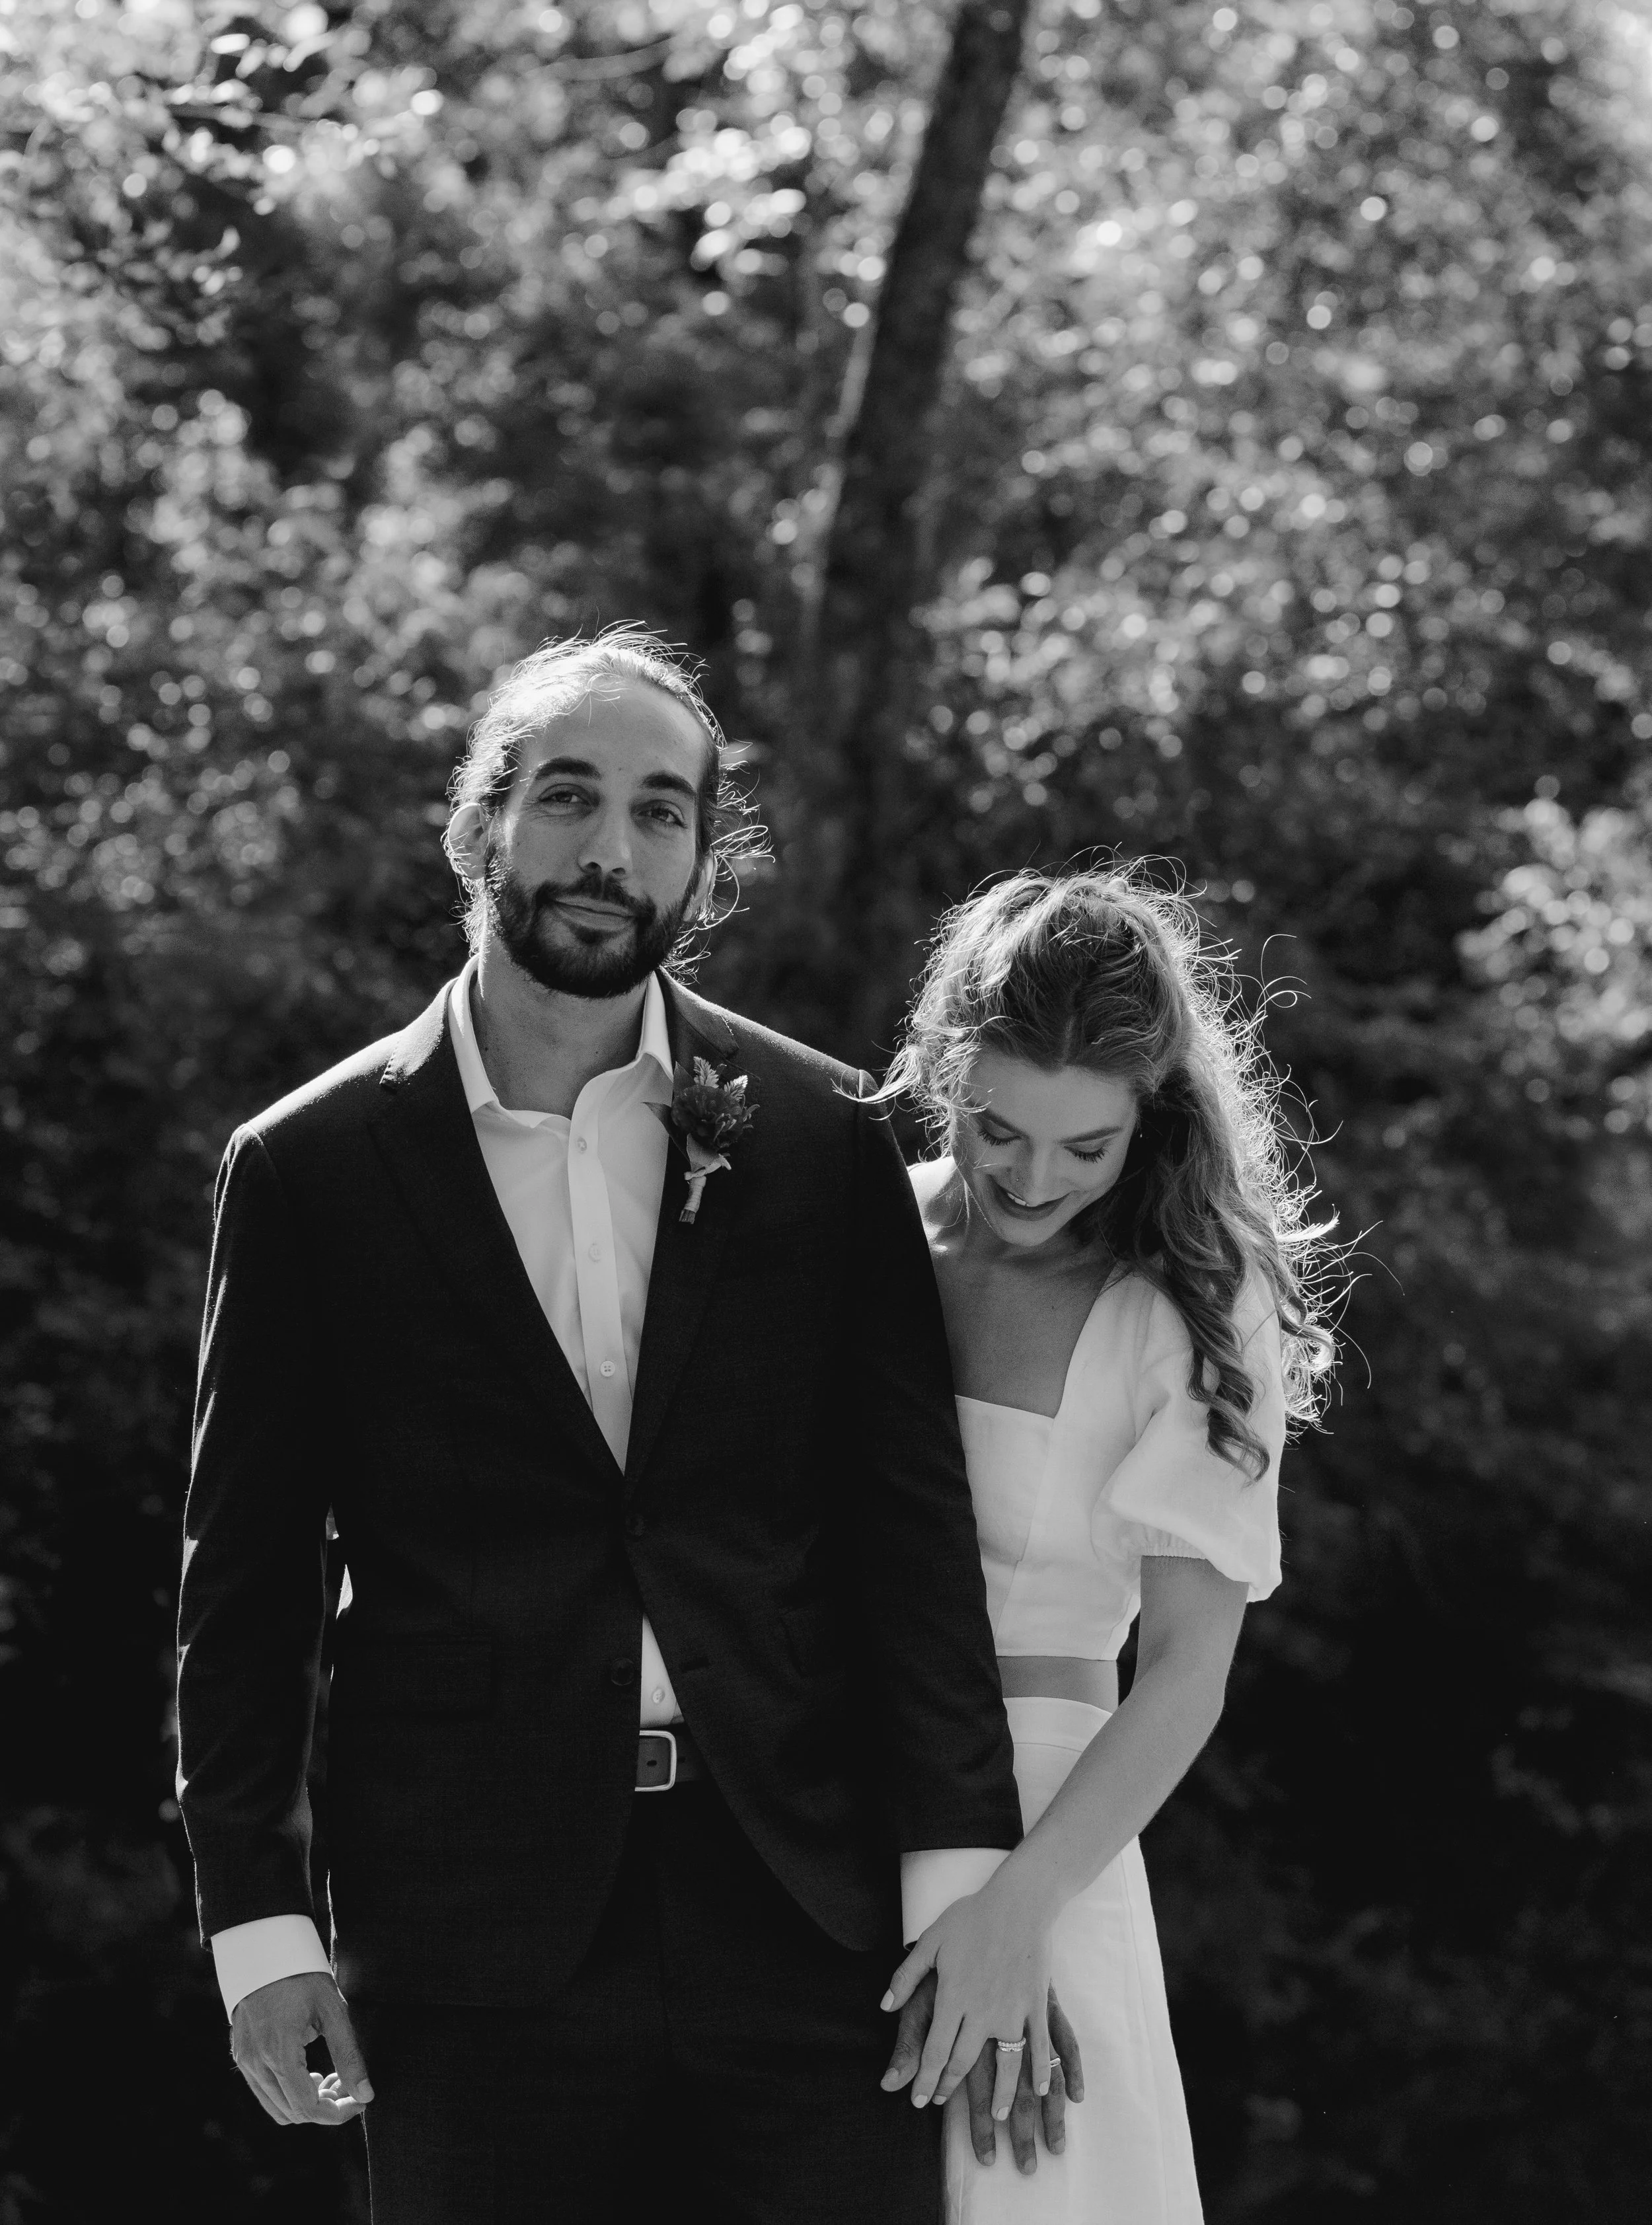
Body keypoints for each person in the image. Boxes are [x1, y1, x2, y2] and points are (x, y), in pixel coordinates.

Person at [174, 630, 1051, 2225]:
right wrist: (258, 1924)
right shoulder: (306, 1171)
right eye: (568, 797)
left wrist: (958, 1884)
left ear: (702, 860)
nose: (610, 849)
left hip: (809, 1916)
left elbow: (906, 1534)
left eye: (661, 812)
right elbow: (240, 1593)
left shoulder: (820, 1138)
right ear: (480, 826)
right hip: (468, 1941)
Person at [877, 868, 1337, 2222]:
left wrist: (1019, 1914)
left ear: (1152, 1117)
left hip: (1041, 1833)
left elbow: (1185, 1673)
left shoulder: (1190, 1303)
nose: (1029, 1179)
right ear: (942, 1067)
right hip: (810, 1811)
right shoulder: (864, 1229)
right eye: (995, 1129)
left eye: (1085, 1148)